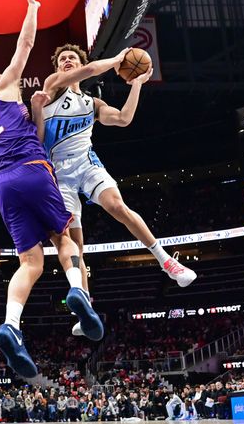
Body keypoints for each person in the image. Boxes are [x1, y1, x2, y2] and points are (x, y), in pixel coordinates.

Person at [0, 0, 103, 377]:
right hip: (34, 170)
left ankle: (11, 327)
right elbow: (26, 44)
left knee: (29, 262)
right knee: (63, 238)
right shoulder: (3, 89)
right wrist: (32, 7)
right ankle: (77, 290)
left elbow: (32, 132)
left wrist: (36, 111)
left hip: (4, 183)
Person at [32, 43, 196, 336]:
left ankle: (167, 262)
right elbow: (93, 69)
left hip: (86, 164)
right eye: (63, 59)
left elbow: (123, 119)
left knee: (118, 206)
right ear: (58, 67)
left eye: (72, 58)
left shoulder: (93, 104)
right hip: (58, 174)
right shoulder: (52, 88)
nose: (67, 61)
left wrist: (137, 85)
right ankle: (86, 311)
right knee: (75, 245)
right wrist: (118, 59)